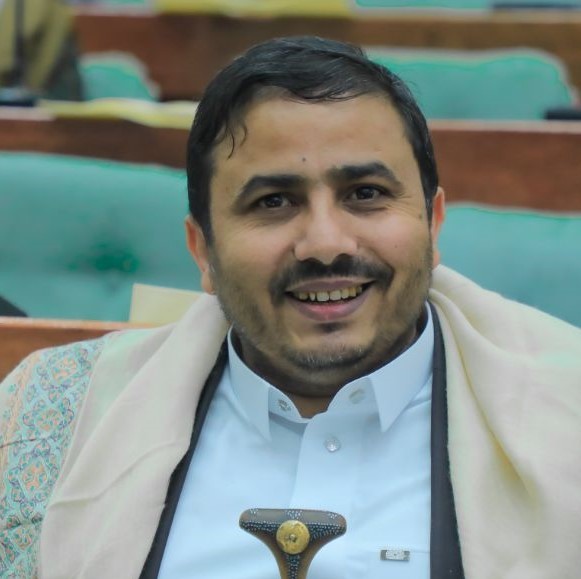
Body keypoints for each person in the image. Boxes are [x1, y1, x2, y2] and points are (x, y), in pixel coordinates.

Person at [1, 36, 580, 579]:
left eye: (366, 194)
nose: (326, 244)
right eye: (273, 201)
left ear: (432, 224)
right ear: (203, 250)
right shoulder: (52, 418)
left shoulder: (566, 415)